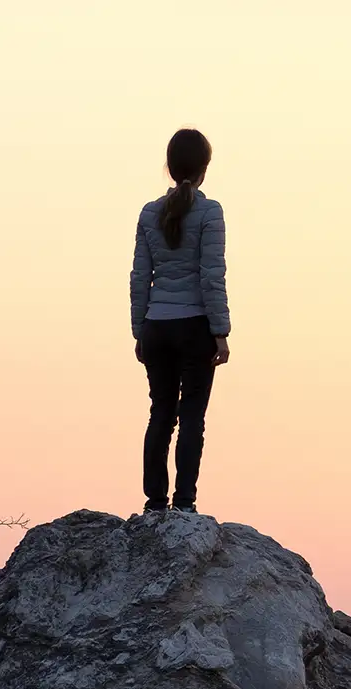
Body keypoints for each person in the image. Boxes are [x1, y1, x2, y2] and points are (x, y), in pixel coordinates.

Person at [131, 128, 230, 515]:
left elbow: (140, 278)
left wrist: (140, 331)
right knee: (191, 417)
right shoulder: (209, 212)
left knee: (160, 414)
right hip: (194, 328)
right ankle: (184, 504)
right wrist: (220, 332)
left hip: (157, 326)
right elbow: (211, 275)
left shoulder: (148, 213)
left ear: (169, 168)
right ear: (205, 168)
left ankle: (155, 505)